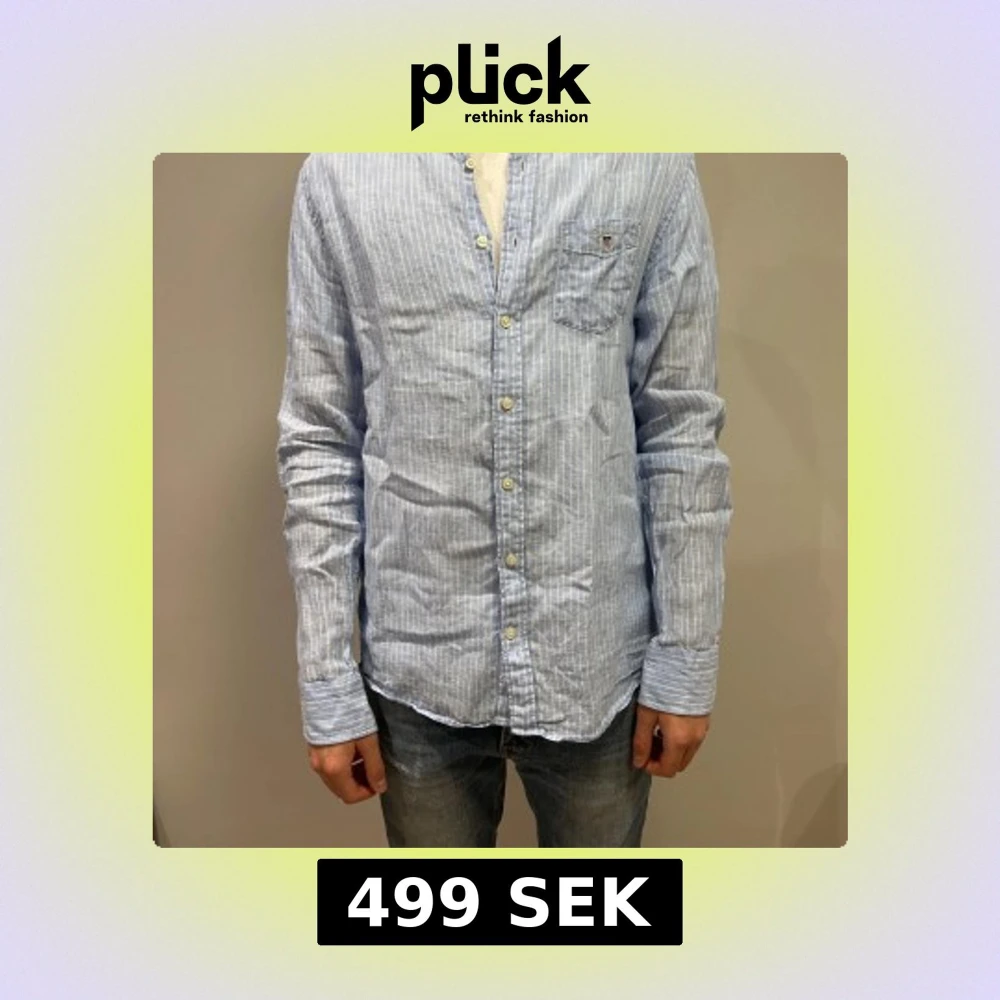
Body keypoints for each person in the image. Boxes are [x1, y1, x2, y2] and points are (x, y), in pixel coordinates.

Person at [276, 152, 733, 847]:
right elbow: (320, 437)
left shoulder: (647, 158)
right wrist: (328, 679)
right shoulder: (342, 171)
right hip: (419, 670)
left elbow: (679, 426)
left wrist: (686, 657)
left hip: (596, 662)